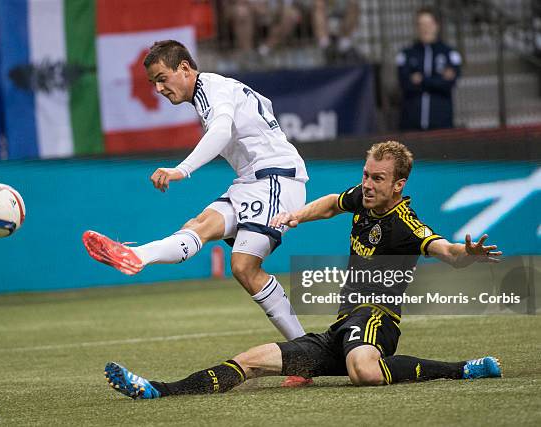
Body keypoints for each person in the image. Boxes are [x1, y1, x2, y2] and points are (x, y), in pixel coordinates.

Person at [102, 141, 503, 399]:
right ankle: (160, 390)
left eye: (377, 179)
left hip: (377, 321)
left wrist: (465, 254)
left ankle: (462, 369)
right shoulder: (363, 199)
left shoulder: (405, 223)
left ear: (398, 185)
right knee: (251, 361)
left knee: (363, 370)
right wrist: (296, 215)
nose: (367, 184)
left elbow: (444, 250)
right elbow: (331, 202)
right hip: (340, 330)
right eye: (365, 174)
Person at [83, 40, 311, 386]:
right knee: (199, 226)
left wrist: (182, 169)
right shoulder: (210, 91)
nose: (159, 89)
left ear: (185, 68)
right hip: (253, 180)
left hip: (276, 178)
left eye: (162, 79)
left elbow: (220, 131)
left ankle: (304, 358)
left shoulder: (213, 90)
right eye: (153, 83)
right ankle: (136, 255)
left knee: (243, 265)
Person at [397, 7, 462, 131]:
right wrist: (437, 79)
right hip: (411, 126)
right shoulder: (406, 54)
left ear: (436, 25)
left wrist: (422, 79)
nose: (425, 28)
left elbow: (448, 84)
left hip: (441, 124)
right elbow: (405, 83)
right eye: (421, 24)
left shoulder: (449, 53)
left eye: (428, 24)